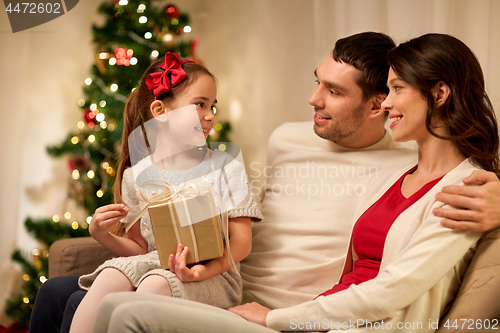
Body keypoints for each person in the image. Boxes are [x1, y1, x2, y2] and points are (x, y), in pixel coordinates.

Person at [28, 32, 500, 333]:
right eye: (317, 81)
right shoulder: (287, 140)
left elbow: (452, 178)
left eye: (333, 92)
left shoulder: (410, 158)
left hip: (276, 309)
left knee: (114, 309)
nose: (312, 99)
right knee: (56, 293)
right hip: (224, 288)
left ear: (379, 105)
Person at [64, 52, 262, 333]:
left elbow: (241, 242)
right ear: (161, 111)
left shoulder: (224, 166)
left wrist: (203, 270)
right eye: (200, 104)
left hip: (214, 275)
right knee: (110, 274)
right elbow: (141, 249)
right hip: (157, 262)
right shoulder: (135, 176)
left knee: (155, 282)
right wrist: (102, 235)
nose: (210, 116)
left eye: (212, 106)